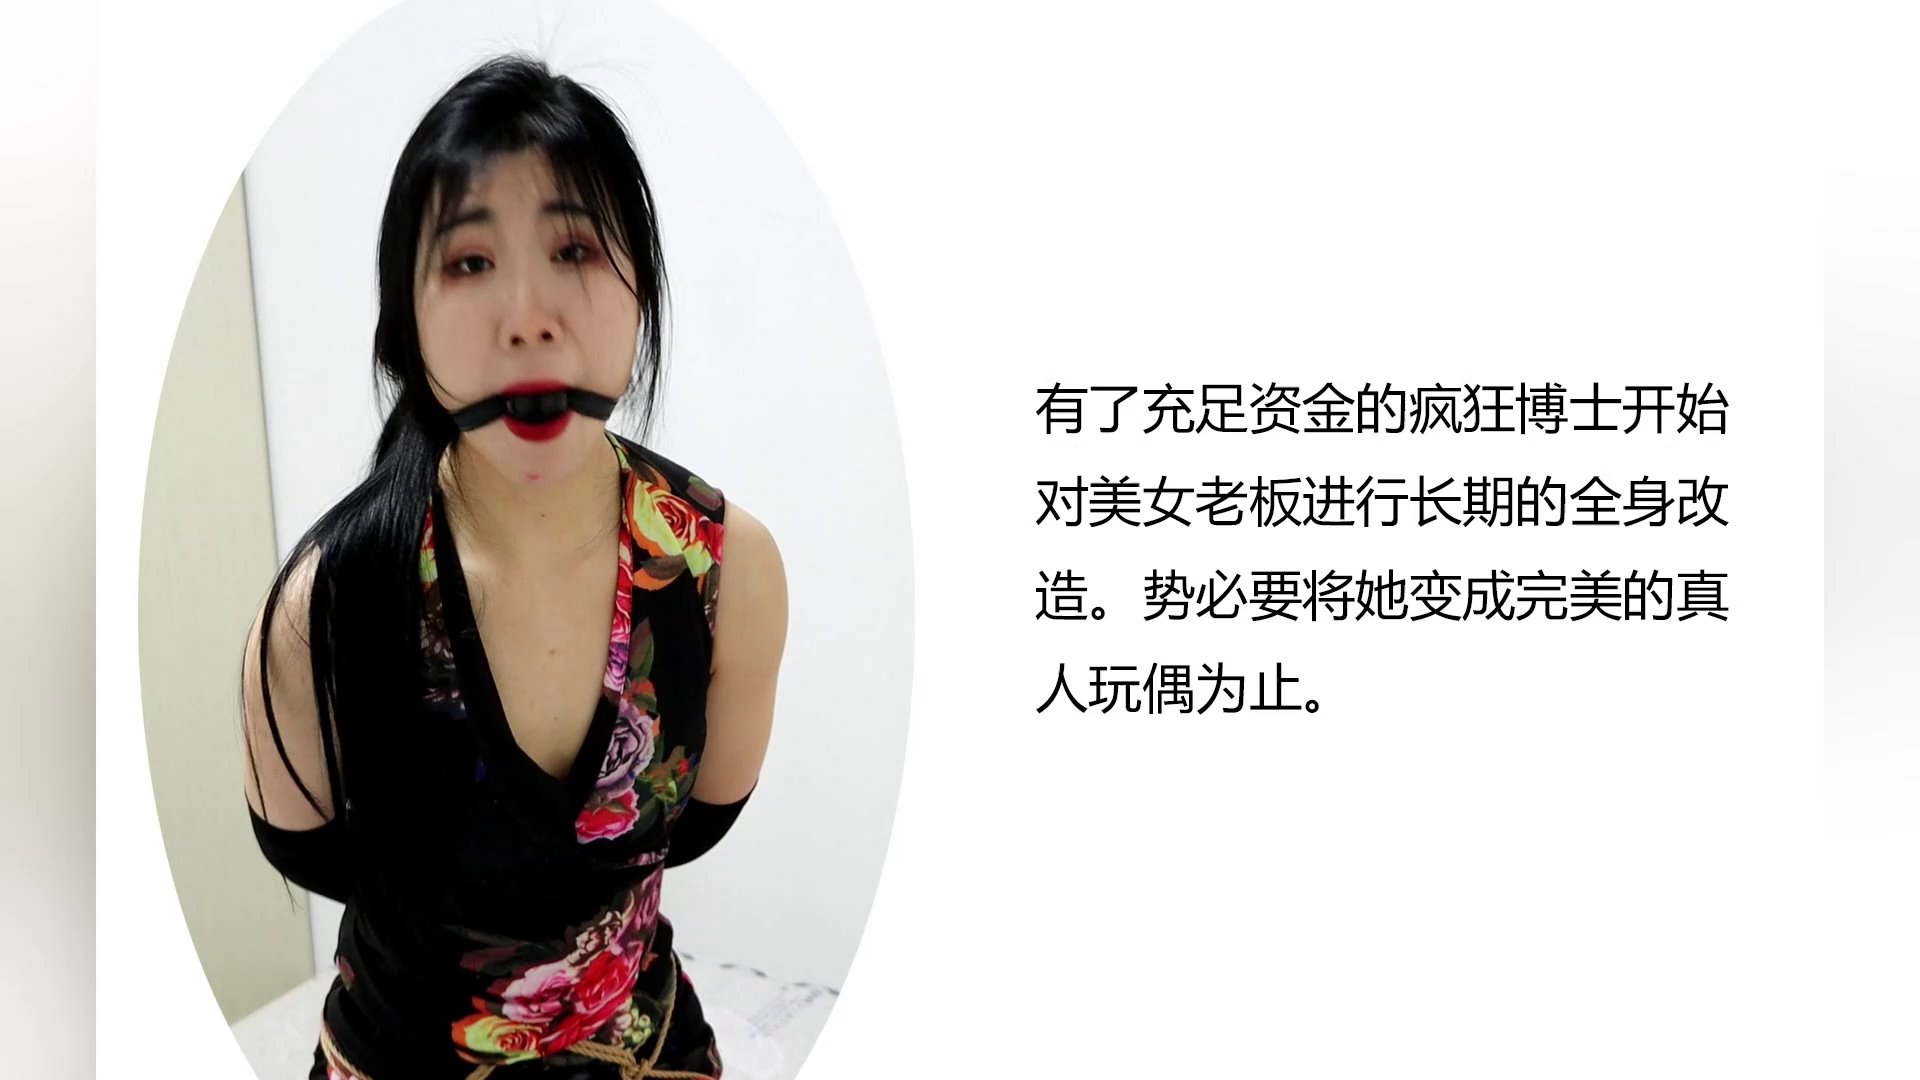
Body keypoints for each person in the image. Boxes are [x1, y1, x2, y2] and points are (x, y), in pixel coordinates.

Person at [239, 53, 789, 1080]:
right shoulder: (324, 606)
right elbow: (311, 852)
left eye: (574, 248)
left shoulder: (728, 571)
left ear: (641, 291)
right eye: (469, 262)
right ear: (404, 319)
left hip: (645, 1051)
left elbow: (699, 821)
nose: (528, 316)